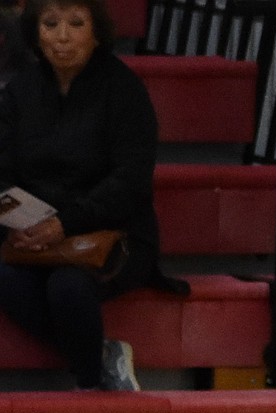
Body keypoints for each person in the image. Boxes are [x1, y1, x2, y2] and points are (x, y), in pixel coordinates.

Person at [0, 0, 161, 391]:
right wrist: (14, 221)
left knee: (66, 286)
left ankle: (88, 387)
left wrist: (65, 223)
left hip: (111, 231)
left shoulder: (124, 89)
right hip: (34, 232)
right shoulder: (20, 91)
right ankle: (102, 353)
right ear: (35, 34)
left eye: (76, 23)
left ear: (96, 32)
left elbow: (131, 179)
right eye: (50, 24)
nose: (63, 36)